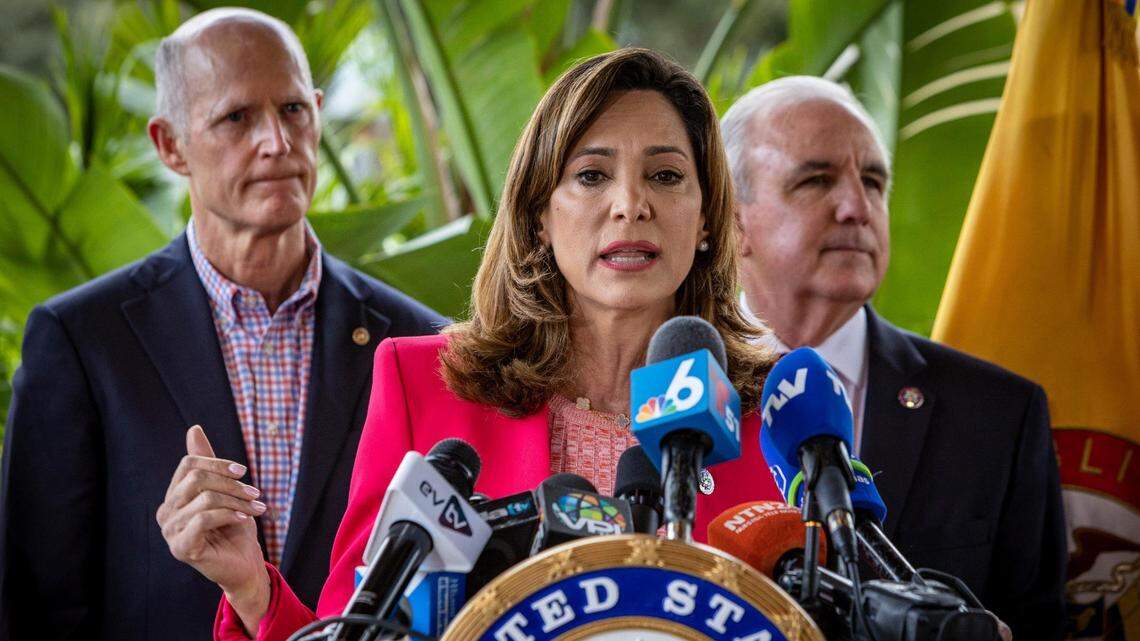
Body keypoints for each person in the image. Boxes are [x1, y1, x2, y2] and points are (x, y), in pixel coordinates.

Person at [156, 48, 785, 639]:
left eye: (666, 175)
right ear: (539, 215)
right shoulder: (422, 384)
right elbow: (361, 627)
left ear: (706, 217)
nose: (630, 204)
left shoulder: (774, 418)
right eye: (591, 175)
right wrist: (248, 586)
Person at [0, 9, 445, 640]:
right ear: (170, 145)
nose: (277, 142)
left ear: (318, 112)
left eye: (293, 110)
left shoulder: (413, 341)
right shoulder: (83, 342)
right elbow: (37, 606)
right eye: (237, 117)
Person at [721, 76, 1067, 639]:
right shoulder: (667, 397)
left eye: (874, 181)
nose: (858, 207)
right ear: (733, 224)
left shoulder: (999, 413)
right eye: (816, 180)